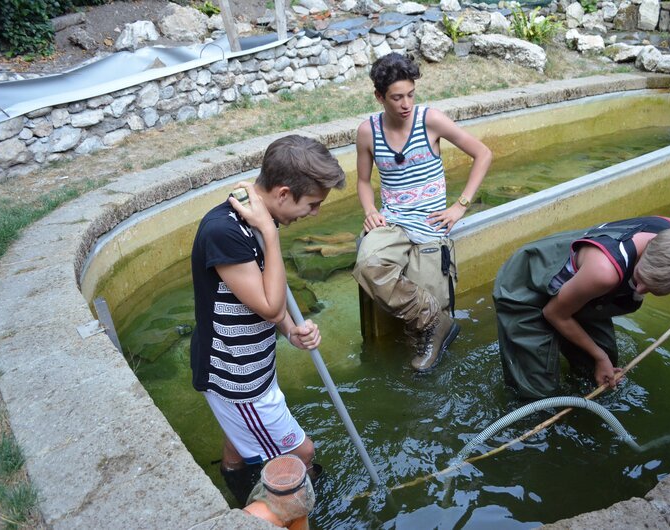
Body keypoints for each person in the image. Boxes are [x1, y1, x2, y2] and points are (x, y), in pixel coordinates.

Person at [190, 135, 346, 505]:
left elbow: (269, 305)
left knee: (239, 437)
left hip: (252, 364)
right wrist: (272, 237)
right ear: (282, 193)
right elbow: (270, 306)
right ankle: (280, 509)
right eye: (312, 205)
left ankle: (233, 481)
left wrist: (290, 330)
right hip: (237, 377)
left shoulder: (255, 218)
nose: (314, 214)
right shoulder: (227, 231)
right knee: (302, 456)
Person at [353, 52, 492, 372]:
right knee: (368, 265)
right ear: (379, 97)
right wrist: (370, 209)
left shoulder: (430, 119)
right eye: (397, 97)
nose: (406, 104)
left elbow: (482, 153)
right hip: (393, 222)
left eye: (411, 95)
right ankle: (436, 322)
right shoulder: (367, 131)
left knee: (429, 309)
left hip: (431, 225)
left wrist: (461, 205)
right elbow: (362, 181)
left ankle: (431, 334)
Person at [493, 216, 670, 400]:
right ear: (647, 250)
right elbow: (553, 313)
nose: (639, 291)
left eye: (653, 289)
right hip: (528, 284)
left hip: (581, 289)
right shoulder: (604, 273)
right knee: (538, 389)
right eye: (639, 279)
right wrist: (599, 356)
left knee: (599, 376)